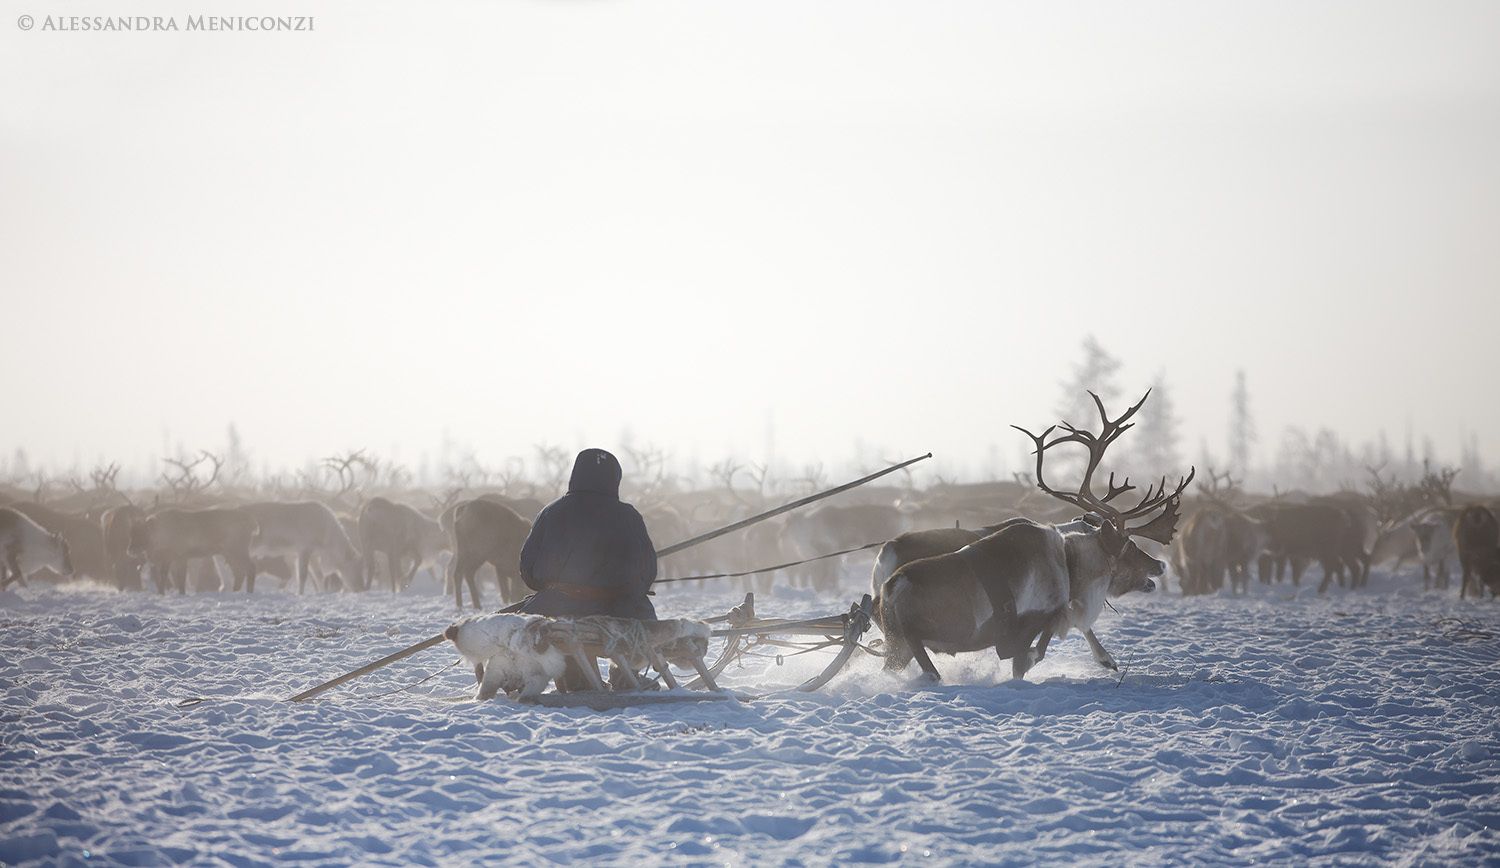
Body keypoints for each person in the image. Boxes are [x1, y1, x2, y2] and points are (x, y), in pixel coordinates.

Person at [518, 448, 658, 622]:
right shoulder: (629, 516)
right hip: (622, 611)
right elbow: (648, 571)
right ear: (615, 478)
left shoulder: (550, 512)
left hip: (554, 607)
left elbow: (528, 571)